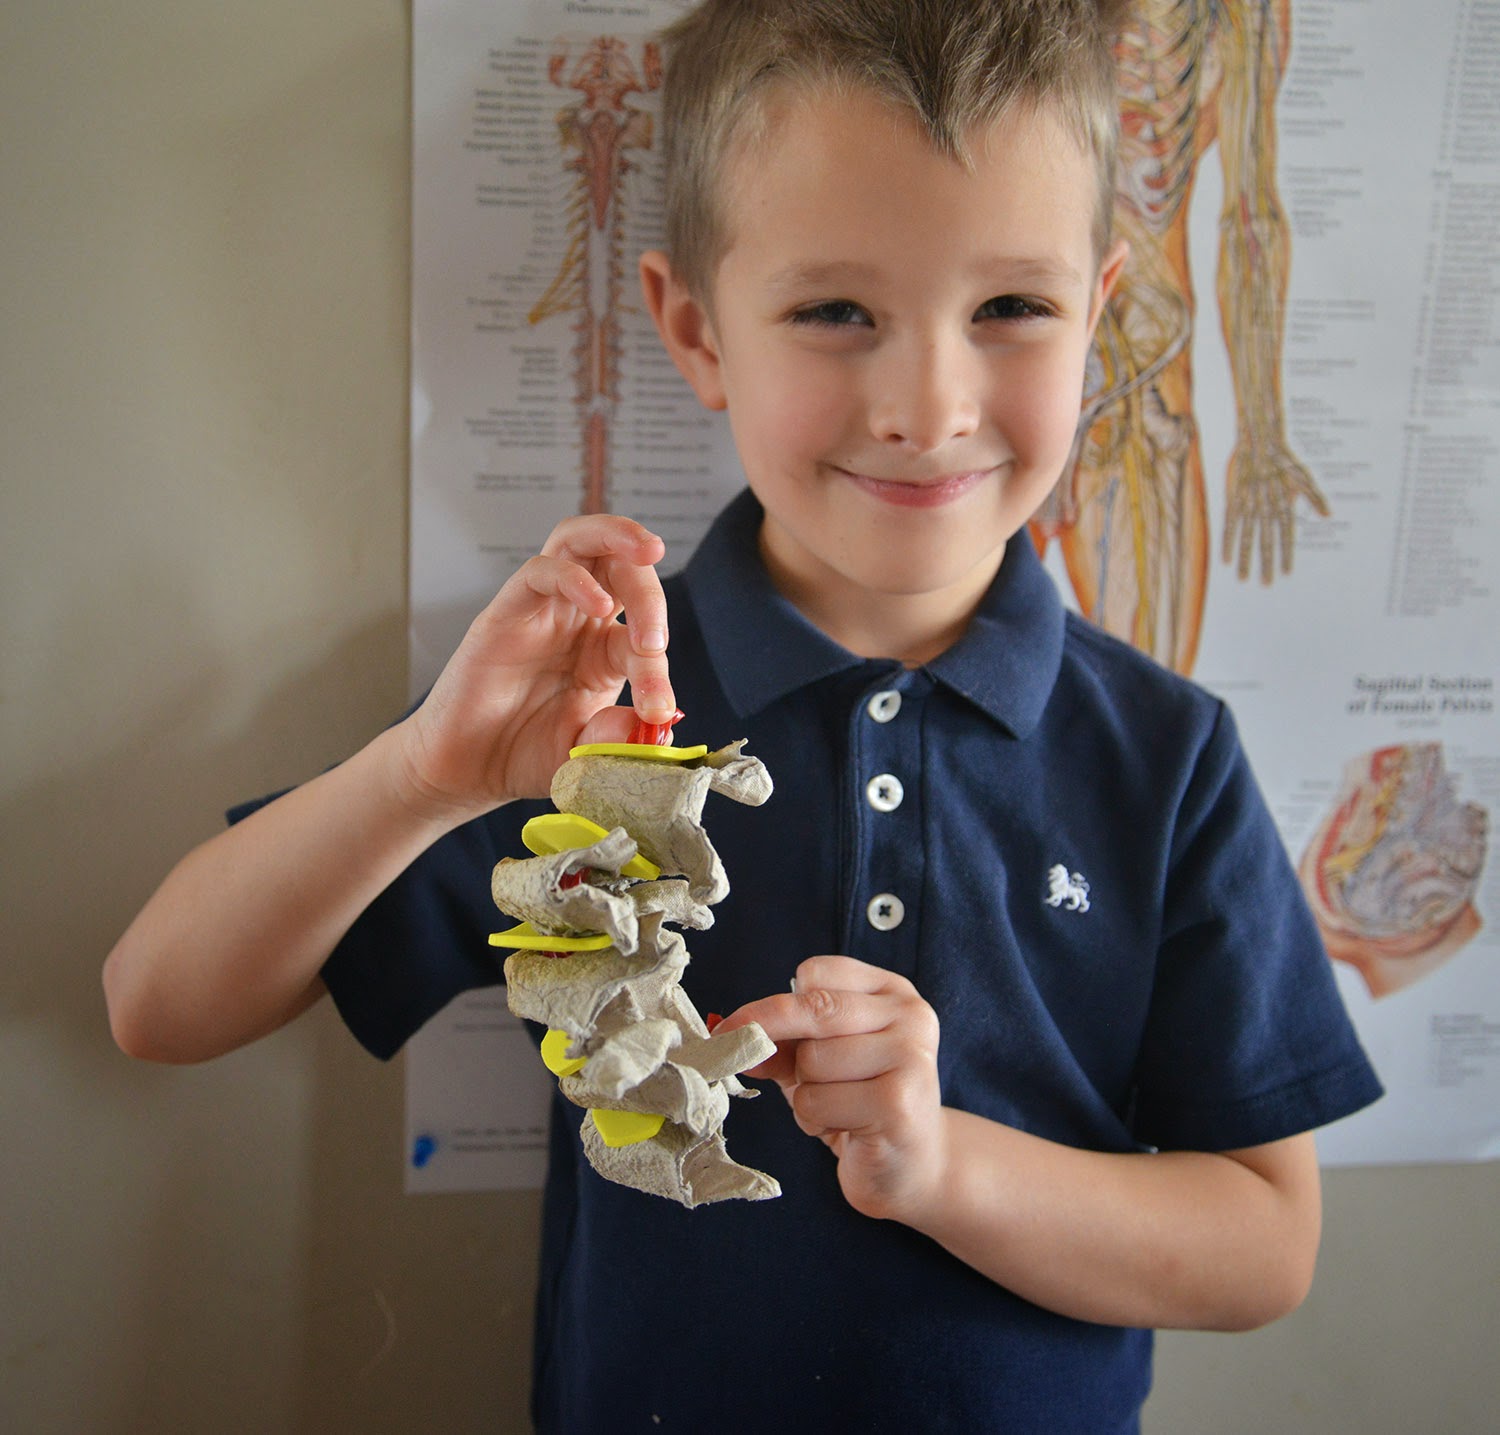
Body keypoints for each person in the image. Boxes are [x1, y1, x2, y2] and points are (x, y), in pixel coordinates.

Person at [104, 2, 1382, 1430]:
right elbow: (158, 1004)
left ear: (1102, 307)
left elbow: (1266, 1245)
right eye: (837, 312)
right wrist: (422, 778)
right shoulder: (593, 703)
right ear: (696, 335)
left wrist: (939, 1167)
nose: (927, 403)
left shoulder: (1168, 758)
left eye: (1013, 308)